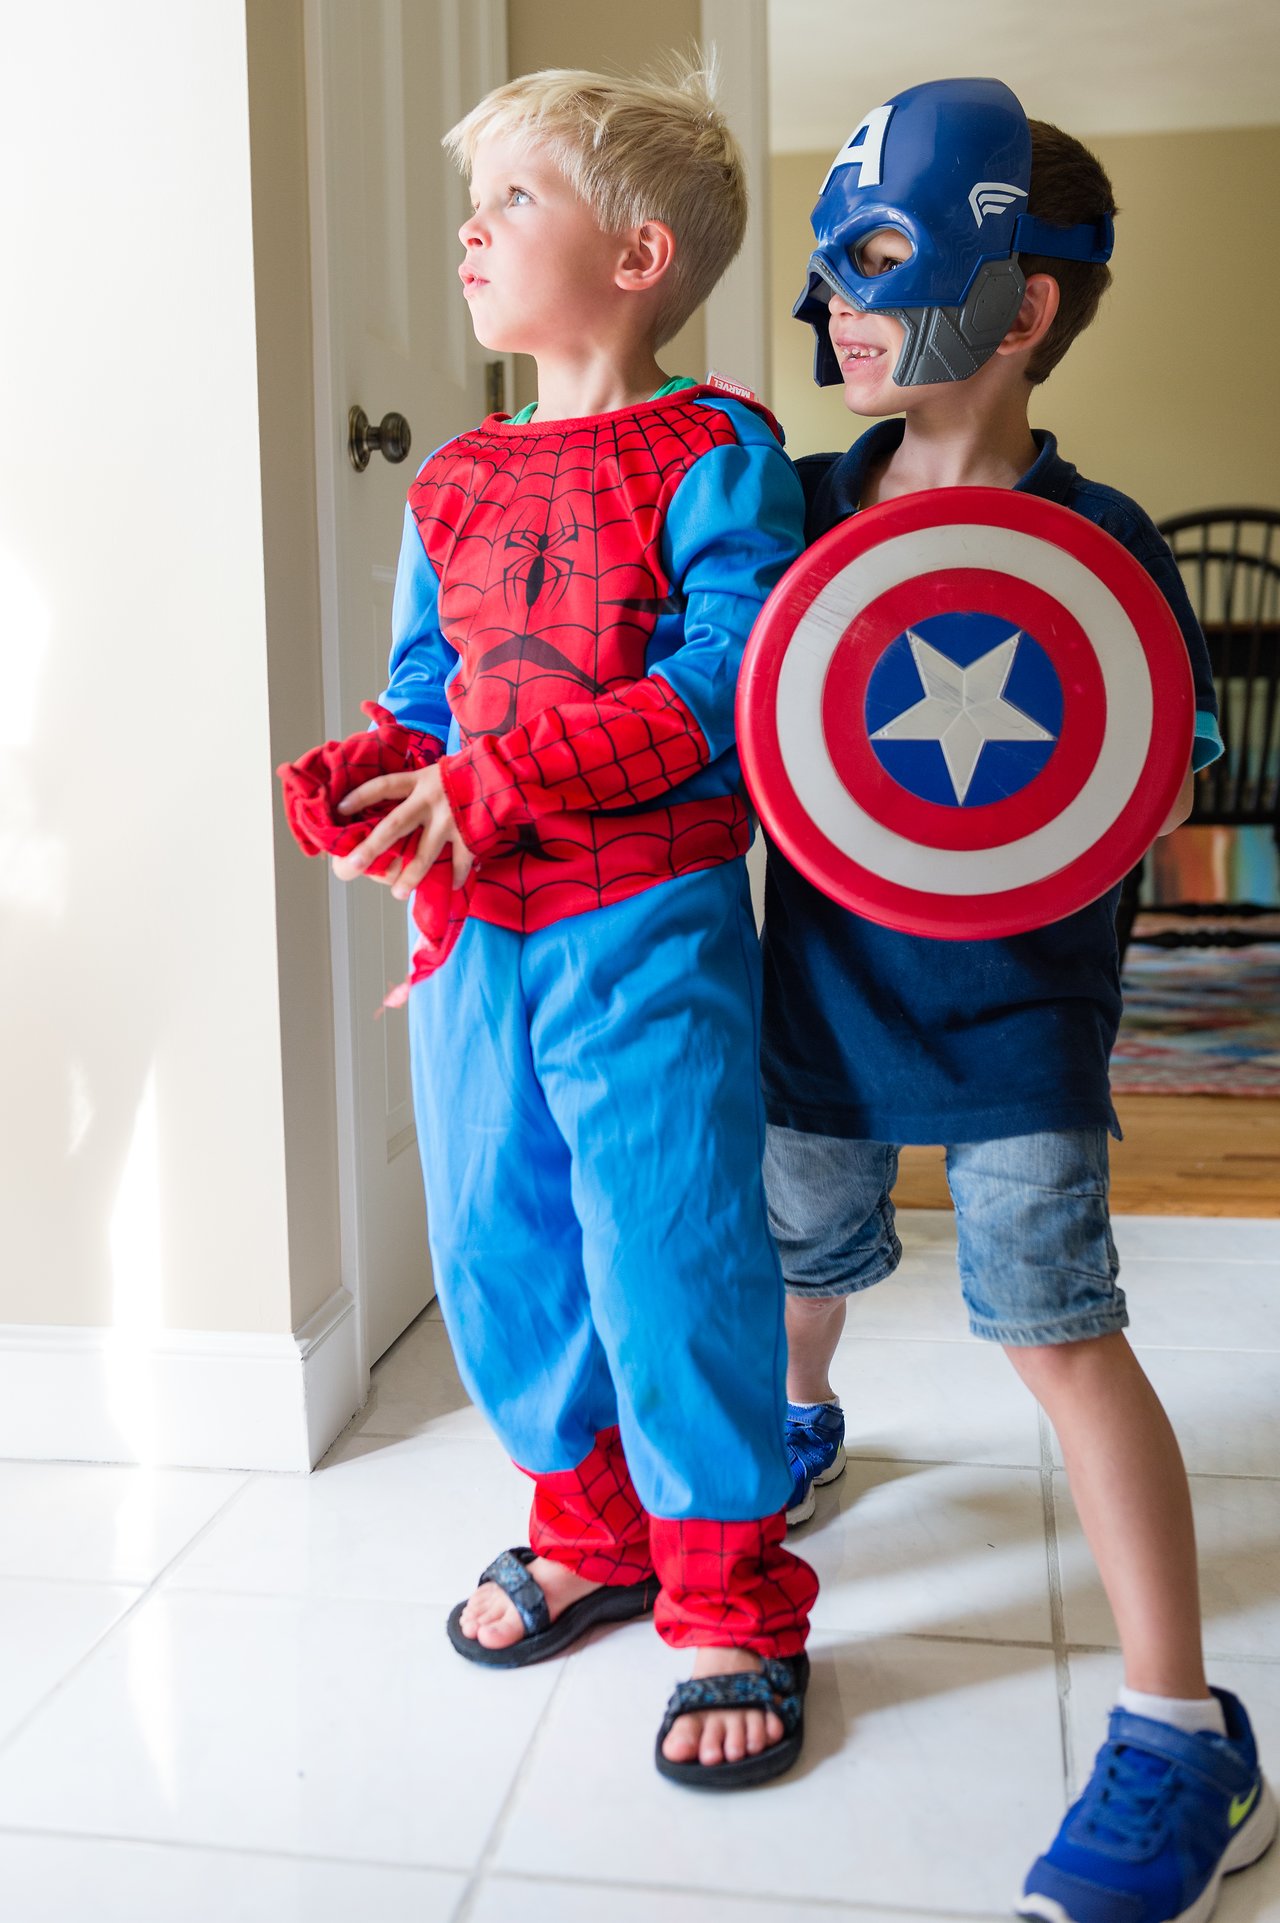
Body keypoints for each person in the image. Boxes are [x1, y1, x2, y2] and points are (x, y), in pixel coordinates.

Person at [764, 76, 1275, 1919]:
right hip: (815, 995)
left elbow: (1141, 764)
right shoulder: (805, 507)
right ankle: (786, 1444)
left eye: (876, 262)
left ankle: (1178, 1731)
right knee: (795, 1261)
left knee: (1051, 1327)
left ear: (1024, 301)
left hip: (1012, 1025)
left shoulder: (1106, 548)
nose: (835, 306)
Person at [283, 60, 818, 1789]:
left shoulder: (717, 448)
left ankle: (728, 1591)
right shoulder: (452, 478)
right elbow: (432, 694)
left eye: (515, 198)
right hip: (473, 934)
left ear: (640, 253)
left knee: (668, 1247)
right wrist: (378, 773)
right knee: (497, 1250)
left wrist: (506, 776)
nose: (472, 226)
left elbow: (729, 680)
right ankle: (585, 1529)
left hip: (646, 921)